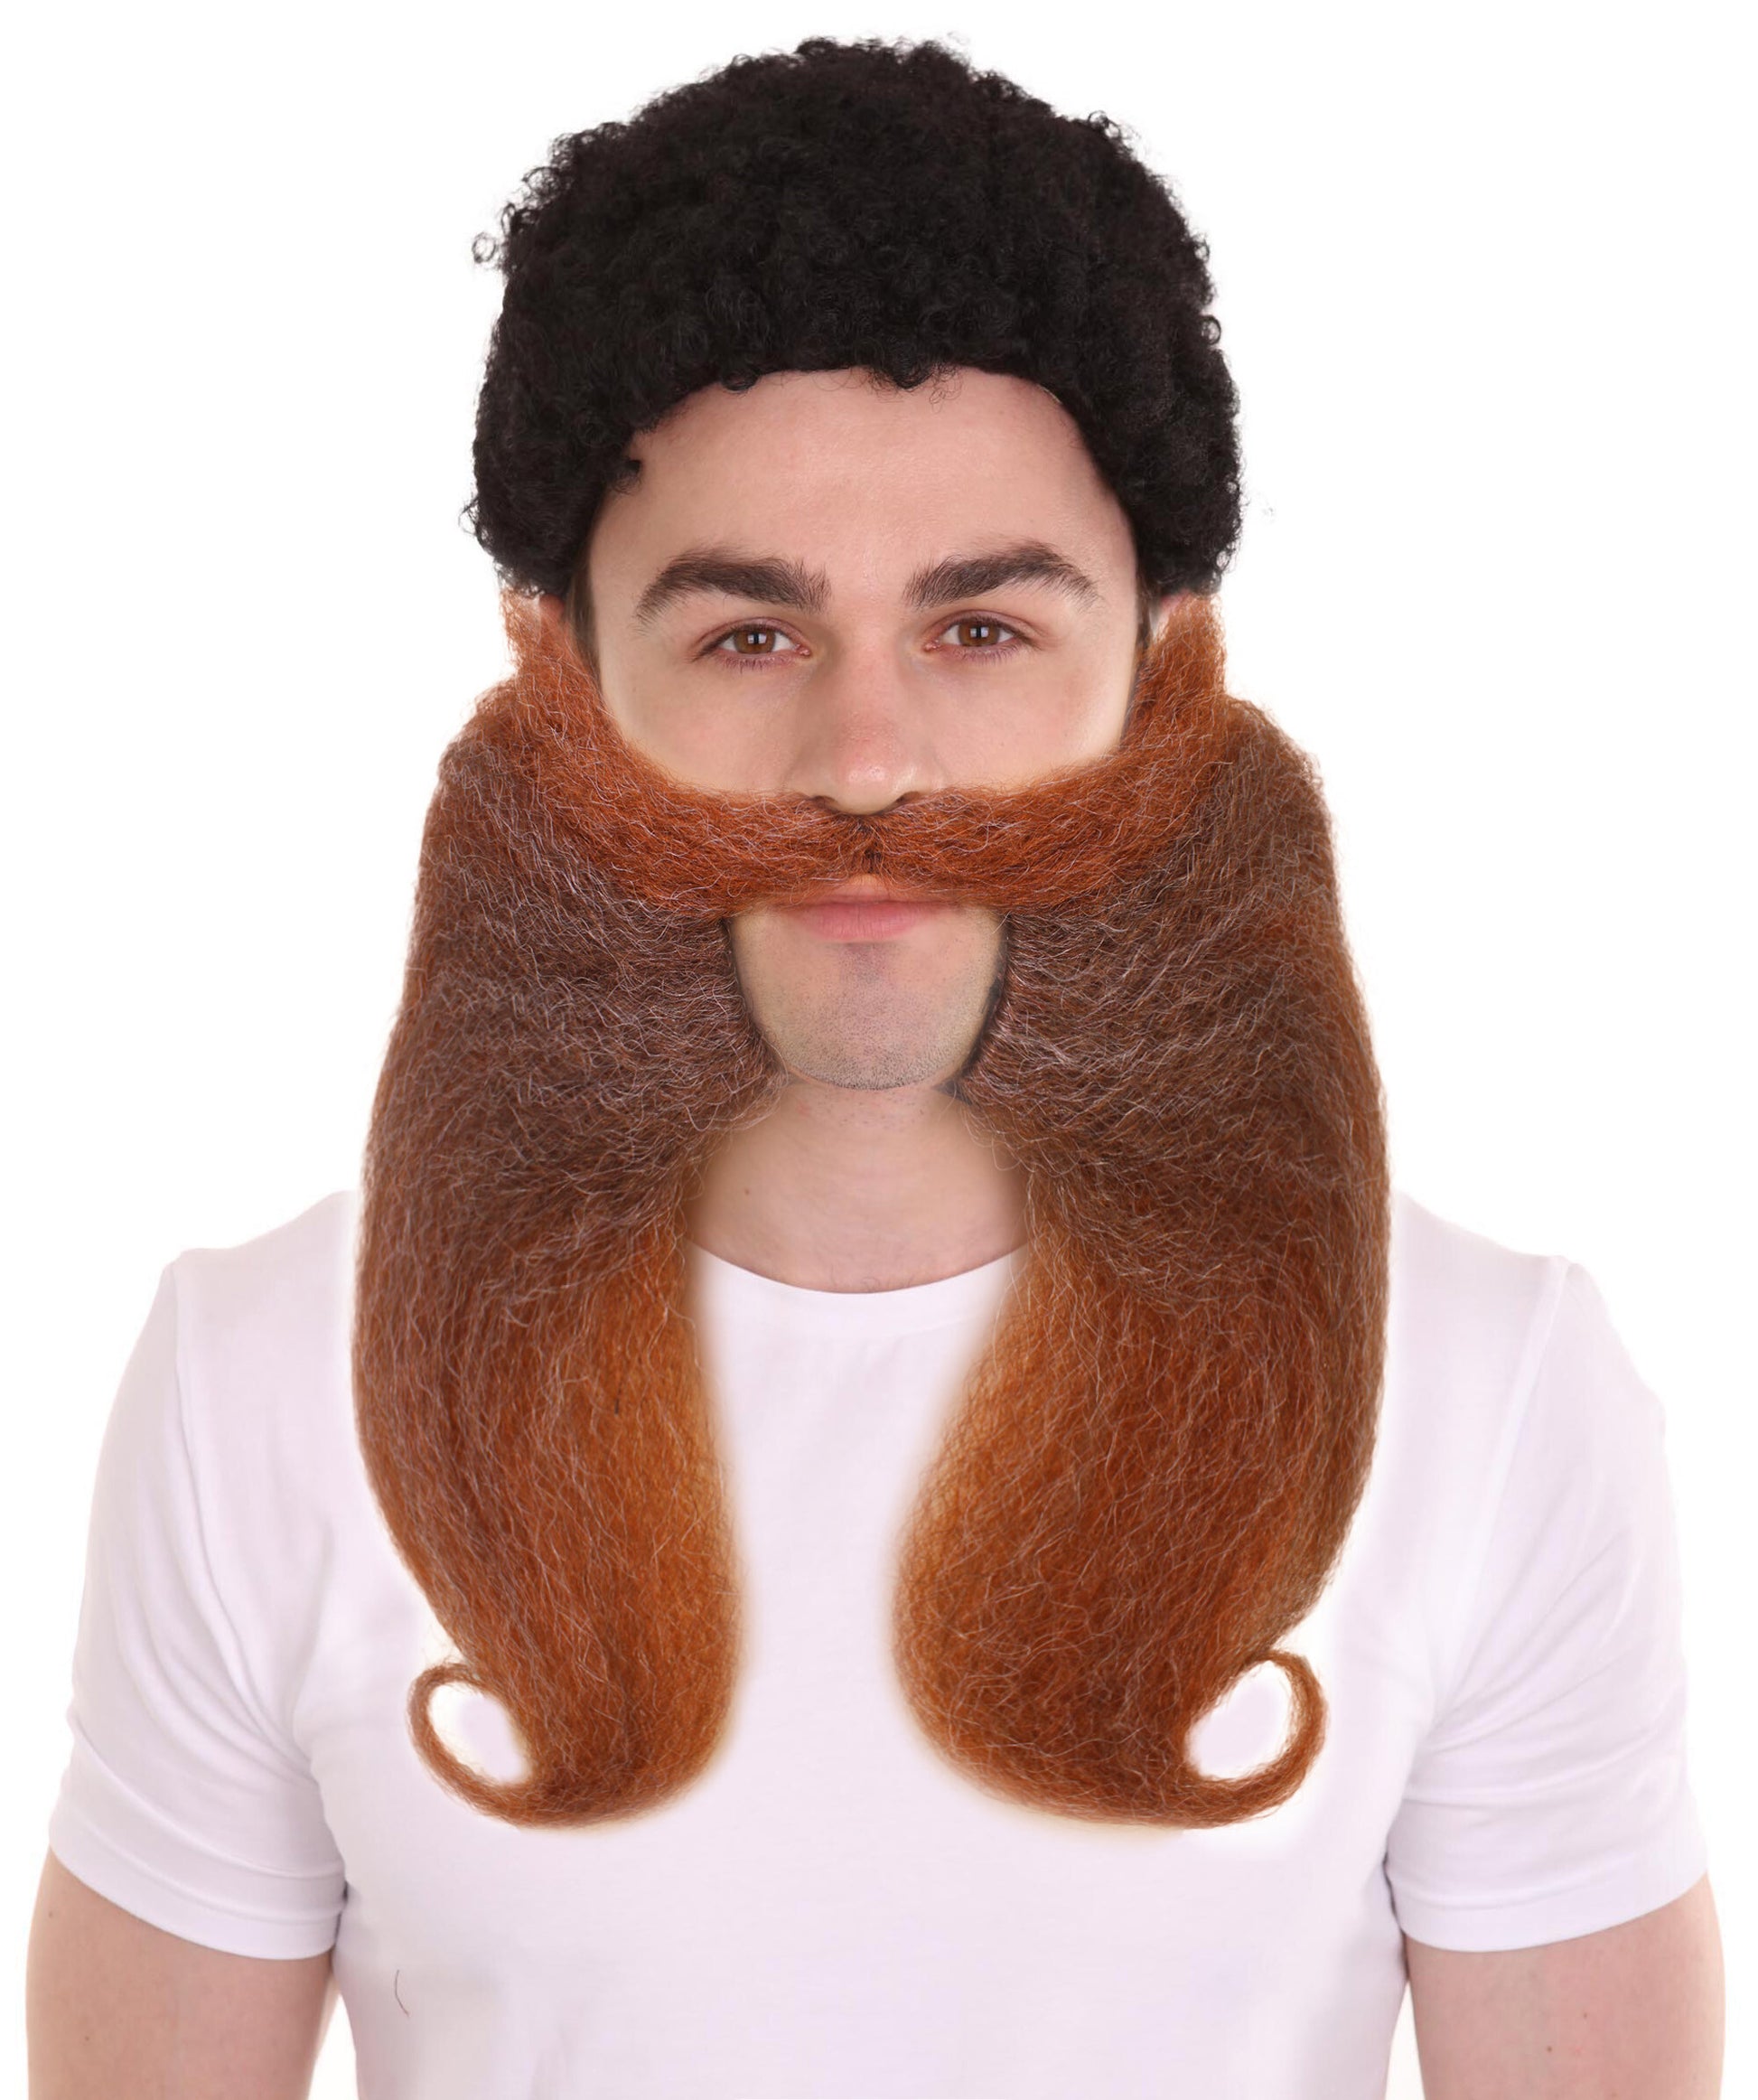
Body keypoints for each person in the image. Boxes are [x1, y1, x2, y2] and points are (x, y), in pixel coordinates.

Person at [26, 34, 1723, 2100]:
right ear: (559, 676)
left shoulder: (1491, 1387)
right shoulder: (255, 1380)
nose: (865, 761)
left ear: (1162, 669)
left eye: (981, 629)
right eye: (746, 635)